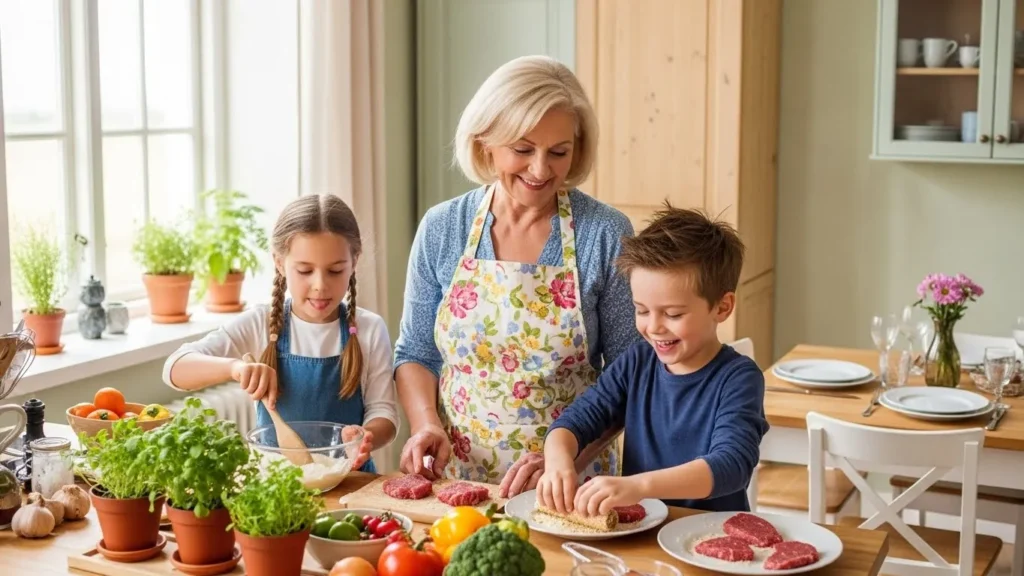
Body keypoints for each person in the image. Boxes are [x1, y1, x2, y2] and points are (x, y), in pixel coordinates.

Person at [393, 55, 641, 496]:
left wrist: (566, 456)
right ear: (485, 141)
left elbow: (629, 373)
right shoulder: (443, 227)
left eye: (558, 152)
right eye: (523, 149)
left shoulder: (605, 233)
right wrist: (426, 423)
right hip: (458, 480)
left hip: (570, 484)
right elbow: (416, 351)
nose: (541, 169)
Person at [538, 204, 769, 516]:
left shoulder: (739, 377)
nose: (654, 327)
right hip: (641, 533)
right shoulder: (637, 362)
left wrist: (638, 487)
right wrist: (557, 463)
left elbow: (732, 464)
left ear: (722, 308)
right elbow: (575, 421)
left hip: (709, 536)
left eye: (673, 314)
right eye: (642, 310)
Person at [161, 194, 398, 472]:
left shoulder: (369, 329)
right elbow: (174, 369)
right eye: (304, 270)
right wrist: (235, 368)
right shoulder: (260, 323)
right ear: (279, 262)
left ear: (354, 261)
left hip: (350, 482)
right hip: (275, 485)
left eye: (335, 270)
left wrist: (364, 437)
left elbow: (385, 414)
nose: (320, 285)